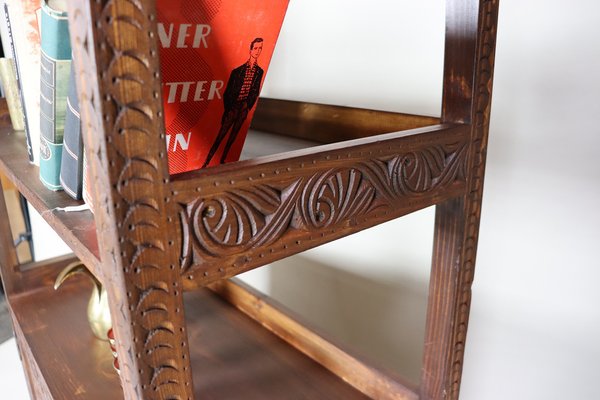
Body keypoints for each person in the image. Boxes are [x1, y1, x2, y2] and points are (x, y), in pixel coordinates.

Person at [203, 38, 264, 167]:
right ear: (250, 50)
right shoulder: (237, 72)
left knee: (234, 136)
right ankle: (207, 161)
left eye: (260, 48)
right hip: (233, 107)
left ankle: (223, 160)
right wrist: (229, 108)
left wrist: (247, 106)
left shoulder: (259, 72)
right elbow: (228, 92)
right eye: (255, 48)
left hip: (244, 108)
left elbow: (255, 91)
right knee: (220, 135)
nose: (258, 51)